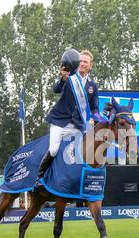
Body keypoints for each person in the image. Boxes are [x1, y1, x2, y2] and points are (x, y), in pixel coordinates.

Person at [34, 49, 106, 186]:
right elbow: (56, 89)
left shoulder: (92, 86)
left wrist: (101, 119)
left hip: (77, 126)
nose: (82, 63)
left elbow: (94, 108)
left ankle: (74, 183)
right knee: (54, 149)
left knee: (79, 155)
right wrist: (62, 78)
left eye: (86, 62)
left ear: (90, 66)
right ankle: (39, 178)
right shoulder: (70, 78)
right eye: (81, 61)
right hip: (59, 122)